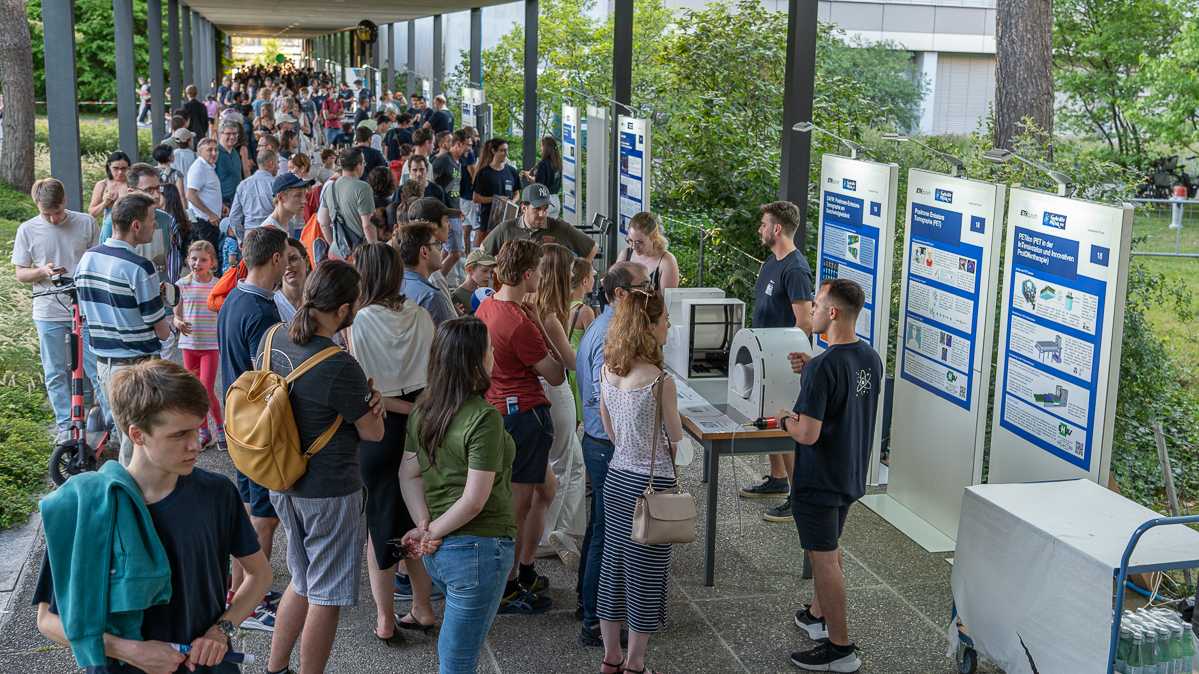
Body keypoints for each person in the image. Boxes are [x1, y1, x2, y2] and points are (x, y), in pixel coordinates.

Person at [34, 359, 272, 674]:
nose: (196, 444)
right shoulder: (85, 505)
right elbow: (48, 620)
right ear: (137, 434)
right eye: (179, 434)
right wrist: (128, 651)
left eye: (198, 429)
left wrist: (221, 630)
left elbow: (260, 576)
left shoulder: (217, 494)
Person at [264, 260, 386, 674]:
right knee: (327, 594)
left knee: (302, 580)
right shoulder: (338, 364)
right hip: (328, 489)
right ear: (345, 310)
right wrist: (376, 407)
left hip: (280, 478)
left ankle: (275, 666)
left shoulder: (272, 337)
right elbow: (372, 433)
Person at [399, 316, 517, 673]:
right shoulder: (484, 418)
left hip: (441, 553)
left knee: (455, 652)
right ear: (476, 361)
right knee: (457, 659)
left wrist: (424, 524)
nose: (494, 355)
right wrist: (431, 532)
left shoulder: (424, 408)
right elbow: (474, 499)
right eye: (490, 351)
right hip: (479, 551)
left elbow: (408, 472)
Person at [780, 279, 881, 672]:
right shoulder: (869, 357)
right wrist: (812, 373)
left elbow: (807, 432)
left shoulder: (823, 367)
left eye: (819, 304)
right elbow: (845, 396)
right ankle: (816, 616)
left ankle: (841, 649)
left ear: (834, 312)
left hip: (819, 479)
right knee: (830, 547)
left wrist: (787, 419)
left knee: (824, 559)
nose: (814, 310)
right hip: (850, 474)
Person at [347, 243, 438, 643]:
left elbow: (363, 387)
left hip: (379, 430)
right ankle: (423, 605)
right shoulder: (421, 314)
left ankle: (385, 619)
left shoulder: (360, 321)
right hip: (421, 427)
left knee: (380, 524)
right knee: (415, 520)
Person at [474, 239, 565, 614]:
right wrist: (543, 328)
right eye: (539, 271)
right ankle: (508, 583)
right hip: (524, 416)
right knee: (520, 503)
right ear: (527, 274)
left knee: (546, 489)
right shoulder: (519, 323)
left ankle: (524, 568)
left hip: (502, 409)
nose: (542, 277)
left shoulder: (488, 306)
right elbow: (557, 374)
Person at [595, 288, 681, 674]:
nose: (668, 327)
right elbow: (675, 441)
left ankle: (610, 657)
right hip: (651, 485)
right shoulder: (661, 381)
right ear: (648, 326)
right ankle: (636, 662)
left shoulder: (608, 370)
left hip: (616, 477)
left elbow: (609, 427)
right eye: (664, 321)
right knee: (646, 573)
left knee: (613, 565)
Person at [574, 260, 649, 647]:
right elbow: (607, 400)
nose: (650, 291)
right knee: (608, 533)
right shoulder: (610, 336)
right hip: (606, 446)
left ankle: (586, 603)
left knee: (599, 528)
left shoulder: (602, 328)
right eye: (643, 286)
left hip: (599, 442)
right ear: (620, 294)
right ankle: (592, 618)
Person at [217, 226, 288, 632]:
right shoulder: (261, 311)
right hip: (257, 427)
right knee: (264, 516)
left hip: (235, 422)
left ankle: (238, 587)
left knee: (249, 509)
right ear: (276, 259)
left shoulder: (235, 298)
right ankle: (251, 603)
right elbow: (271, 374)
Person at [75, 193, 172, 466]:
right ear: (136, 226)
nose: (155, 225)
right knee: (142, 440)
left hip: (105, 365)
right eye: (152, 220)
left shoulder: (87, 259)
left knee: (125, 434)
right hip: (139, 365)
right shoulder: (140, 267)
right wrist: (172, 334)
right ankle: (136, 498)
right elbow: (157, 322)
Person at [12, 179, 106, 442]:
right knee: (55, 370)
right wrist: (42, 271)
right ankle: (66, 425)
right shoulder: (27, 230)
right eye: (46, 214)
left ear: (65, 201)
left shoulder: (86, 222)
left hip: (84, 309)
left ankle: (111, 422)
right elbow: (20, 273)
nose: (53, 219)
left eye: (56, 212)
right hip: (47, 310)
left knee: (95, 367)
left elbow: (97, 261)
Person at [741, 201, 815, 523]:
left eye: (763, 224)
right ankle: (777, 478)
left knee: (785, 425)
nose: (759, 229)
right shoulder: (771, 261)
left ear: (777, 229)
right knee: (769, 416)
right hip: (763, 353)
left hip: (782, 360)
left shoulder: (796, 269)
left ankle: (799, 498)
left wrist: (782, 355)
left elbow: (806, 322)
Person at [534, 244, 586, 569]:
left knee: (559, 461)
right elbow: (570, 361)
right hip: (555, 389)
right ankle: (557, 533)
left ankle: (553, 531)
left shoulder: (535, 306)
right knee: (568, 463)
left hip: (541, 389)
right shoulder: (551, 314)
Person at [173, 240, 223, 449]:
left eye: (203, 259)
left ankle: (220, 428)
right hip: (189, 345)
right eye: (193, 259)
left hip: (210, 345)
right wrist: (178, 322)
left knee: (206, 389)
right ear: (187, 260)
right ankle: (203, 431)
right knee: (195, 390)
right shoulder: (181, 284)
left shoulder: (218, 285)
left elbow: (223, 312)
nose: (197, 263)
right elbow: (176, 314)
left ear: (212, 263)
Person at [483, 184, 597, 261]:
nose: (543, 214)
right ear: (524, 208)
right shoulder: (506, 228)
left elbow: (592, 248)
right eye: (537, 209)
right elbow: (482, 253)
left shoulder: (560, 227)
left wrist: (576, 279)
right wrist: (497, 271)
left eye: (545, 208)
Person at [317, 148, 377, 258]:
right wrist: (375, 251)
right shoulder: (363, 188)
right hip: (359, 253)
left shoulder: (330, 187)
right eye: (363, 163)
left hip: (337, 250)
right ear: (358, 165)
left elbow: (323, 222)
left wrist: (334, 244)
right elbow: (367, 225)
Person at [397, 222, 456, 325]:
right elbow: (449, 340)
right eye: (437, 244)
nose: (441, 250)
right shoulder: (431, 297)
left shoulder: (395, 284)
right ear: (424, 252)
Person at [185, 138, 227, 266]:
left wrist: (221, 206)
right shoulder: (199, 167)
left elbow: (206, 192)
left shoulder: (207, 166)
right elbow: (190, 195)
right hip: (204, 222)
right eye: (210, 150)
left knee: (209, 257)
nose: (214, 153)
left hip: (209, 220)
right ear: (200, 152)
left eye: (216, 150)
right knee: (206, 258)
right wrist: (210, 214)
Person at [224, 148, 279, 241]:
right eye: (277, 163)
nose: (278, 167)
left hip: (250, 234)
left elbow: (234, 217)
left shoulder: (243, 185)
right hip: (272, 233)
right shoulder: (275, 184)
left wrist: (241, 239)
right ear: (271, 163)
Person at [566, 258, 597, 421]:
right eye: (592, 276)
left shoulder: (561, 305)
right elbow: (593, 345)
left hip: (564, 366)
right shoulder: (585, 311)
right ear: (585, 281)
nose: (594, 279)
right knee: (578, 418)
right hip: (578, 368)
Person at [472, 138, 520, 239]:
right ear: (493, 151)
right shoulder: (484, 173)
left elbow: (517, 193)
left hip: (508, 218)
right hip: (488, 219)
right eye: (502, 150)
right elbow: (476, 198)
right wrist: (496, 199)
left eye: (506, 150)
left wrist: (512, 202)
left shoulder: (512, 171)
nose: (505, 154)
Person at [621, 212, 679, 291]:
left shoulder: (666, 262)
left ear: (654, 238)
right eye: (630, 240)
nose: (633, 246)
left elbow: (667, 301)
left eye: (639, 242)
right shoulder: (626, 254)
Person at [260, 173, 313, 238]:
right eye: (298, 195)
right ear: (281, 197)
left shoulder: (289, 223)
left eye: (305, 195)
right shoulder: (268, 232)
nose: (305, 201)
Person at [521, 136, 563, 219]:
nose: (540, 148)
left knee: (540, 229)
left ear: (545, 148)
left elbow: (539, 185)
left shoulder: (543, 164)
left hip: (545, 201)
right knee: (551, 229)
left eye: (541, 146)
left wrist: (528, 177)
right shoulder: (558, 163)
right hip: (556, 201)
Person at [273, 237, 310, 324]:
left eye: (293, 259)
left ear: (307, 261)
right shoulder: (273, 305)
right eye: (282, 261)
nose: (288, 266)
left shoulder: (321, 298)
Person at [452, 248, 496, 316]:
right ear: (470, 270)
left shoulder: (487, 292)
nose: (489, 276)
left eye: (491, 272)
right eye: (484, 271)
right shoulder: (456, 297)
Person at [88, 151, 131, 220]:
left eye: (123, 168)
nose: (120, 172)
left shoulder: (133, 184)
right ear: (109, 166)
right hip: (109, 225)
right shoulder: (102, 185)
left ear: (128, 168)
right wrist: (105, 203)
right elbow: (92, 213)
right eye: (116, 168)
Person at [215, 122, 246, 206]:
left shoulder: (234, 152)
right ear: (220, 134)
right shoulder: (215, 153)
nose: (232, 137)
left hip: (237, 200)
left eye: (235, 133)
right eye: (228, 133)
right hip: (223, 203)